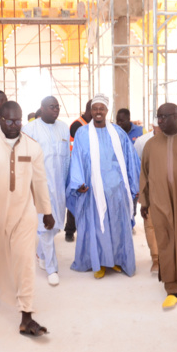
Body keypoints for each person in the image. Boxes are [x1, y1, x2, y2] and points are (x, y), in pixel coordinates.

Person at [0, 101, 55, 336]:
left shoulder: (33, 147)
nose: (14, 126)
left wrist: (46, 211)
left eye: (18, 121)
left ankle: (26, 315)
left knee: (25, 260)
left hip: (23, 212)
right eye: (9, 121)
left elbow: (40, 181)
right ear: (0, 120)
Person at [67, 93, 140, 279]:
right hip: (92, 189)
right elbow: (76, 159)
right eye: (95, 109)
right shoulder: (82, 133)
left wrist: (134, 183)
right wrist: (77, 183)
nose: (98, 112)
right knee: (96, 226)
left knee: (116, 225)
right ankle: (97, 261)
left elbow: (130, 159)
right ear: (90, 111)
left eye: (102, 108)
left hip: (116, 190)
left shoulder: (118, 133)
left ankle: (115, 260)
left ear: (107, 111)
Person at [139, 103, 177, 309]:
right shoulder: (151, 144)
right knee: (164, 242)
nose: (160, 122)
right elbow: (144, 175)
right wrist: (145, 202)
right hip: (160, 201)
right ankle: (171, 287)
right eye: (158, 118)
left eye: (164, 117)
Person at [22, 96, 70, 286]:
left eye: (57, 106)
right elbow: (24, 160)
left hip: (59, 186)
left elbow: (66, 158)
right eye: (52, 107)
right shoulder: (30, 130)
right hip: (40, 186)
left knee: (56, 225)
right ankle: (52, 268)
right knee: (46, 228)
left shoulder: (64, 128)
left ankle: (41, 255)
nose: (56, 110)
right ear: (42, 109)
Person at [134, 122, 161, 273]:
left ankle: (170, 258)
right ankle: (156, 259)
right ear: (153, 125)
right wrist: (140, 193)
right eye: (159, 124)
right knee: (150, 225)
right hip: (149, 189)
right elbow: (137, 167)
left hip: (171, 192)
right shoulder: (142, 142)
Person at [64, 99, 92, 242]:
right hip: (76, 166)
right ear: (89, 110)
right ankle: (69, 230)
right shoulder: (78, 125)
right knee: (76, 197)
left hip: (88, 166)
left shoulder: (91, 125)